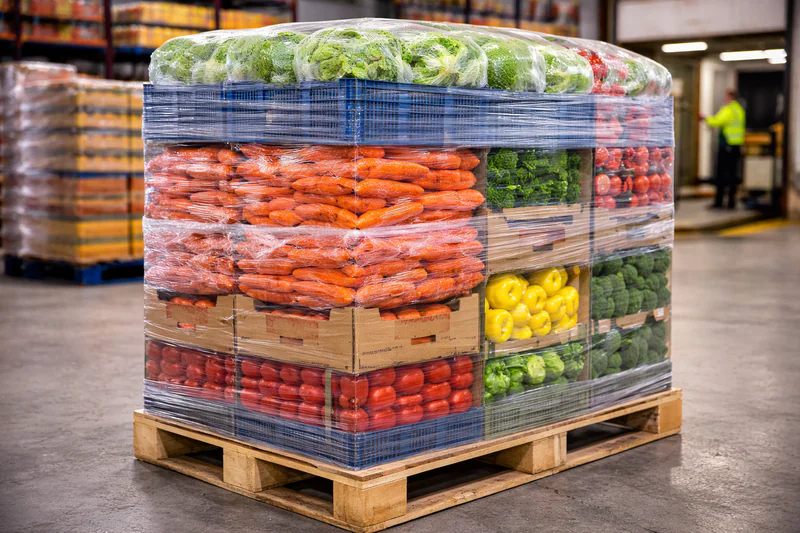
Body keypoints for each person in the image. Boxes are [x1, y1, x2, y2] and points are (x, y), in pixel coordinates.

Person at [700, 89, 746, 209]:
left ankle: (719, 202)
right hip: (736, 146)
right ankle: (731, 202)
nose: (724, 99)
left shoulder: (729, 109)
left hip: (727, 145)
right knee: (732, 175)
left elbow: (717, 121)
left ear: (730, 97)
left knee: (721, 174)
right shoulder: (739, 109)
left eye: (726, 96)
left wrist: (705, 119)